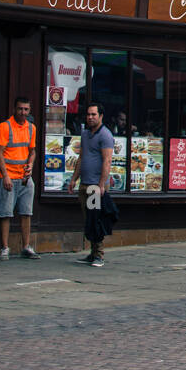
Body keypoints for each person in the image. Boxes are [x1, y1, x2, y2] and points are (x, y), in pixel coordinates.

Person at [68, 102, 114, 265]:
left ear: (101, 116)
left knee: (96, 219)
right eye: (88, 114)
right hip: (84, 183)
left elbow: (107, 161)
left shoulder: (105, 135)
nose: (90, 117)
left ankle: (99, 255)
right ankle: (92, 252)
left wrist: (101, 184)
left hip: (95, 185)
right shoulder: (86, 134)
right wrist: (74, 178)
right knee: (88, 219)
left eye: (94, 114)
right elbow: (81, 158)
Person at [0, 96, 39, 261]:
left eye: (26, 109)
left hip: (24, 177)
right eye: (20, 109)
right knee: (5, 213)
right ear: (14, 109)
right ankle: (5, 247)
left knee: (26, 212)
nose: (23, 112)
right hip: (8, 176)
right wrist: (5, 175)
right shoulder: (4, 127)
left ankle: (26, 246)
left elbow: (32, 151)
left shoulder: (31, 128)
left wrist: (31, 165)